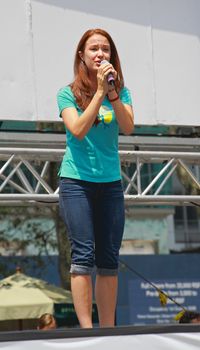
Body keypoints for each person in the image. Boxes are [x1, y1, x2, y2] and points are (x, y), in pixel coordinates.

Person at [57, 28, 134, 328]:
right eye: (93, 49)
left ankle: (108, 329)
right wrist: (99, 93)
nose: (100, 54)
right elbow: (77, 129)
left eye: (105, 49)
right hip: (76, 181)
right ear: (82, 55)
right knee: (83, 255)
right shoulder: (67, 93)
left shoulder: (121, 92)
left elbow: (128, 127)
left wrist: (112, 93)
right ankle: (86, 330)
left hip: (111, 184)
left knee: (108, 259)